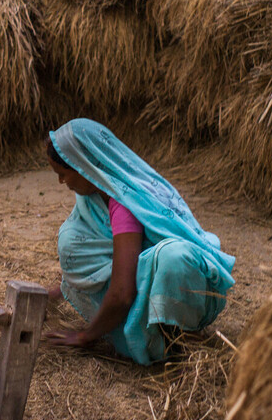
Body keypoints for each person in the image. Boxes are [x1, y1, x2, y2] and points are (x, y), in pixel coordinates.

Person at [43, 118, 236, 365]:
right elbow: (110, 261)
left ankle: (172, 338)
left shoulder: (124, 204)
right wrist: (57, 293)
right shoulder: (96, 199)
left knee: (171, 258)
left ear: (83, 166)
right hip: (148, 277)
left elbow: (123, 292)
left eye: (62, 174)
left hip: (191, 287)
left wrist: (85, 336)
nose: (61, 182)